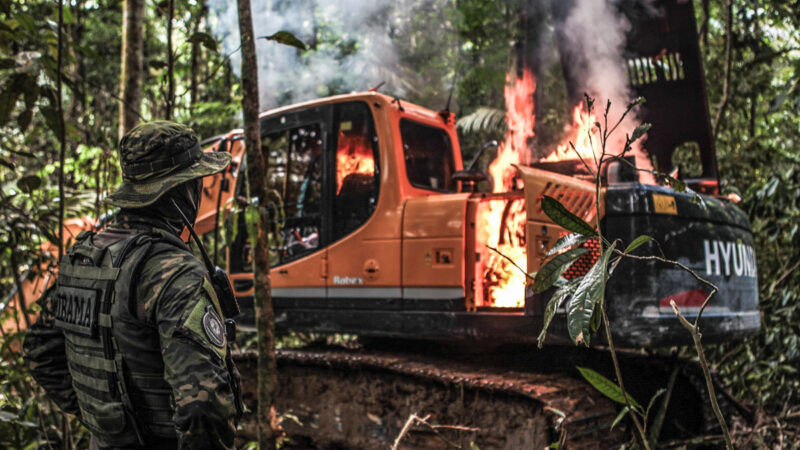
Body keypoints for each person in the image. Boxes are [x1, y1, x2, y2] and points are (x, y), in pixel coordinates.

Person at [23, 121, 242, 449]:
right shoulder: (174, 272)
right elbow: (201, 405)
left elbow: (39, 350)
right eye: (194, 183)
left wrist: (106, 421)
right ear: (179, 190)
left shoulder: (84, 257)